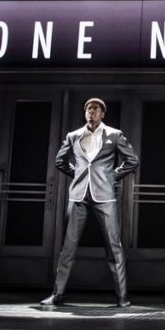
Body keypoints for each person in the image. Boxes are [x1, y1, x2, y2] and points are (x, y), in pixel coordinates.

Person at [41, 98, 139, 307]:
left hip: (105, 197)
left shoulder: (114, 134)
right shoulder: (73, 135)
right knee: (67, 248)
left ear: (102, 114)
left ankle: (122, 297)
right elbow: (59, 161)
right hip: (78, 196)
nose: (91, 112)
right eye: (88, 109)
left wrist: (111, 177)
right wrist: (78, 174)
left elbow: (132, 161)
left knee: (114, 247)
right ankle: (57, 294)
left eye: (95, 109)